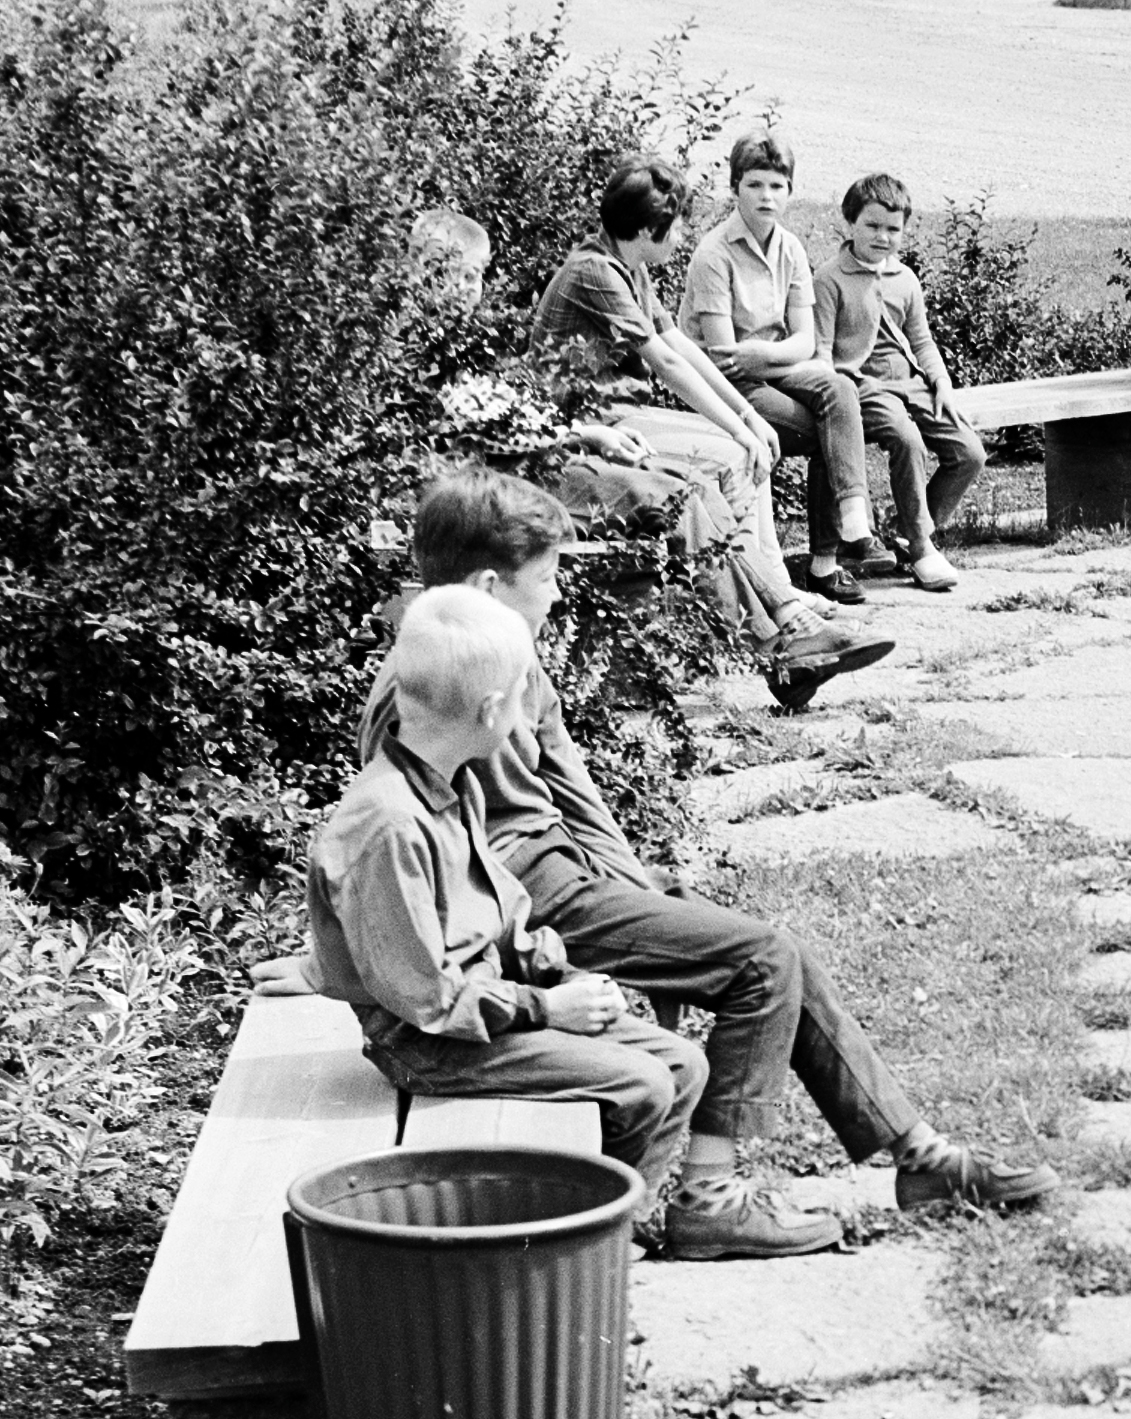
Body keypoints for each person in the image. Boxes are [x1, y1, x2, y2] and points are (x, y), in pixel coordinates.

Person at [365, 471, 1058, 1250]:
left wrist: (632, 888)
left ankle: (921, 1155)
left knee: (767, 949)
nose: (558, 595)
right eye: (549, 578)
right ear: (489, 585)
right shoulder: (429, 685)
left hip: (562, 874)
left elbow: (570, 785)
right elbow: (411, 841)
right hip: (520, 902)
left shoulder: (505, 652)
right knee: (760, 959)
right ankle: (710, 1195)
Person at [307, 586, 708, 1217]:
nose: (529, 707)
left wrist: (562, 975)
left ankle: (606, 1235)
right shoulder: (389, 826)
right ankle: (571, 1240)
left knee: (682, 1063)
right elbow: (428, 1000)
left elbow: (502, 911)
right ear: (492, 711)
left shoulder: (451, 782)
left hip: (488, 1008)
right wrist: (548, 1008)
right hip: (428, 1043)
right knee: (643, 1082)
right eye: (524, 693)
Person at [527, 166, 895, 712]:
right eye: (672, 228)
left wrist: (747, 416)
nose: (679, 238)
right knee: (727, 456)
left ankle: (787, 615)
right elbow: (668, 362)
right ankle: (784, 621)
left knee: (740, 451)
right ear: (646, 232)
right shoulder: (594, 272)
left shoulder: (625, 265)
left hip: (616, 413)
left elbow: (681, 344)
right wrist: (738, 427)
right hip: (588, 426)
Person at [684, 133, 879, 602]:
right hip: (727, 386)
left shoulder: (789, 247)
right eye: (755, 185)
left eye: (777, 185)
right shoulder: (714, 254)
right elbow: (725, 356)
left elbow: (806, 340)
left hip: (772, 365)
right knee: (826, 434)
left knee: (838, 389)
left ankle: (855, 519)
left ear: (790, 191)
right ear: (735, 188)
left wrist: (768, 354)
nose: (767, 197)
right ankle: (824, 564)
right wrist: (771, 355)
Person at [813, 173, 982, 594]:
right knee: (907, 440)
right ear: (851, 223)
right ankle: (924, 548)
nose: (883, 237)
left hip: (911, 382)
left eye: (893, 229)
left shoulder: (904, 279)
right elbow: (823, 350)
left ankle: (908, 533)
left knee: (969, 452)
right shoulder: (830, 278)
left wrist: (941, 381)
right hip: (862, 384)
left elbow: (921, 340)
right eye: (872, 226)